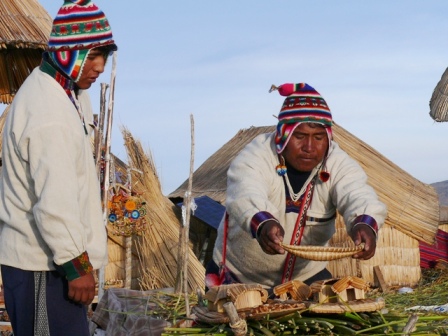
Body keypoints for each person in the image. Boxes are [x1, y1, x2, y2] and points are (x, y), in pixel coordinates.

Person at [0, 0, 117, 334]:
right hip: (44, 267)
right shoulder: (48, 111)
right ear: (68, 53)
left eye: (104, 56)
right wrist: (77, 266)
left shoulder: (64, 94)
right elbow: (55, 199)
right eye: (92, 55)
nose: (99, 67)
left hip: (52, 265)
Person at [205, 83, 387, 291]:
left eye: (318, 138)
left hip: (304, 279)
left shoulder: (337, 164)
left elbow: (357, 193)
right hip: (238, 277)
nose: (309, 147)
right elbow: (245, 192)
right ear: (283, 135)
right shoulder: (257, 155)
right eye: (300, 137)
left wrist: (365, 223)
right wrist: (263, 224)